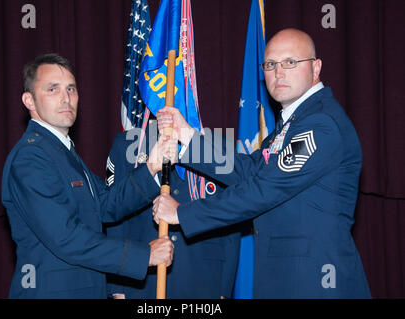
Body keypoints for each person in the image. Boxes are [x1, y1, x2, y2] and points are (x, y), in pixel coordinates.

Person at [154, 28, 371, 298]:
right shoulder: (293, 124)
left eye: (291, 62)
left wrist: (182, 214)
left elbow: (263, 189)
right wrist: (186, 136)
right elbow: (249, 170)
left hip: (314, 282)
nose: (279, 72)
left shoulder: (320, 124)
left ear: (316, 68)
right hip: (288, 279)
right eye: (270, 64)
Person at [1, 53, 175, 298]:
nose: (66, 98)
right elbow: (65, 237)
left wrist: (152, 168)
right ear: (29, 100)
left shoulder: (61, 150)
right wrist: (144, 255)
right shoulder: (31, 157)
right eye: (53, 89)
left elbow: (105, 204)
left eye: (71, 89)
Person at [105, 120, 241, 299]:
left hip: (203, 278)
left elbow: (231, 221)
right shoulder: (128, 144)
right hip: (142, 280)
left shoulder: (217, 145)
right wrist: (117, 288)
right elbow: (115, 217)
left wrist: (224, 288)